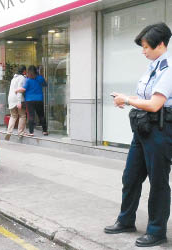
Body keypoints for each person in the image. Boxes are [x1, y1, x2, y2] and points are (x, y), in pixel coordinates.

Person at [104, 22, 172, 248]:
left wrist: (127, 99)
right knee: (130, 176)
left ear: (160, 44)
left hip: (160, 131)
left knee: (158, 182)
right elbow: (144, 97)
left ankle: (157, 231)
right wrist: (128, 99)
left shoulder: (169, 69)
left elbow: (154, 104)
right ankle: (126, 220)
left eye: (146, 47)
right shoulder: (153, 66)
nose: (143, 51)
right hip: (143, 130)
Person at [15, 65, 48, 136]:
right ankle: (45, 131)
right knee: (41, 115)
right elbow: (45, 84)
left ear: (29, 72)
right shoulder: (40, 78)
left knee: (31, 116)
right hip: (39, 99)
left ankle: (31, 132)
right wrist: (42, 78)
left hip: (29, 100)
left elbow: (23, 89)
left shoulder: (27, 80)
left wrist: (17, 90)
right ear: (36, 71)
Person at [5, 65, 27, 140]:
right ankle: (20, 133)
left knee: (13, 116)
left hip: (10, 98)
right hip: (18, 98)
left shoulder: (13, 79)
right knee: (22, 115)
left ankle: (9, 132)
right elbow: (20, 91)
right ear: (24, 71)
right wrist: (19, 102)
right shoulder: (22, 78)